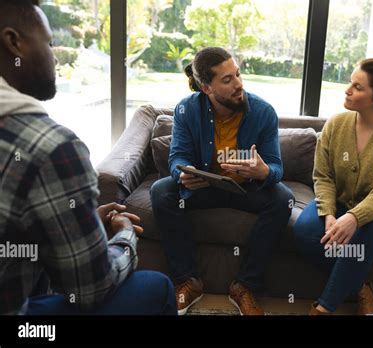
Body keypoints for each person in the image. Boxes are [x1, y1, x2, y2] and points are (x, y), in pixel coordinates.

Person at [0, 0, 176, 315]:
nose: (54, 55)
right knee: (157, 286)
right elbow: (89, 290)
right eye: (50, 42)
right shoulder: (51, 147)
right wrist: (123, 234)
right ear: (14, 42)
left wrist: (78, 221)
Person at [150, 47, 294, 315]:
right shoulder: (187, 109)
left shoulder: (263, 112)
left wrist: (264, 172)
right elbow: (177, 155)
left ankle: (244, 286)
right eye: (227, 80)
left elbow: (276, 167)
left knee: (284, 199)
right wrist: (182, 173)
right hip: (204, 187)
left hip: (246, 189)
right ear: (206, 88)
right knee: (161, 192)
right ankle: (189, 281)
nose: (238, 84)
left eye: (237, 74)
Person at [293, 58, 373, 315]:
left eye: (358, 87)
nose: (348, 90)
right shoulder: (336, 124)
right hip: (337, 203)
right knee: (305, 231)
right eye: (351, 82)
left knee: (363, 233)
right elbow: (323, 176)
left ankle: (324, 308)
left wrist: (353, 218)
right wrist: (328, 213)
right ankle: (360, 286)